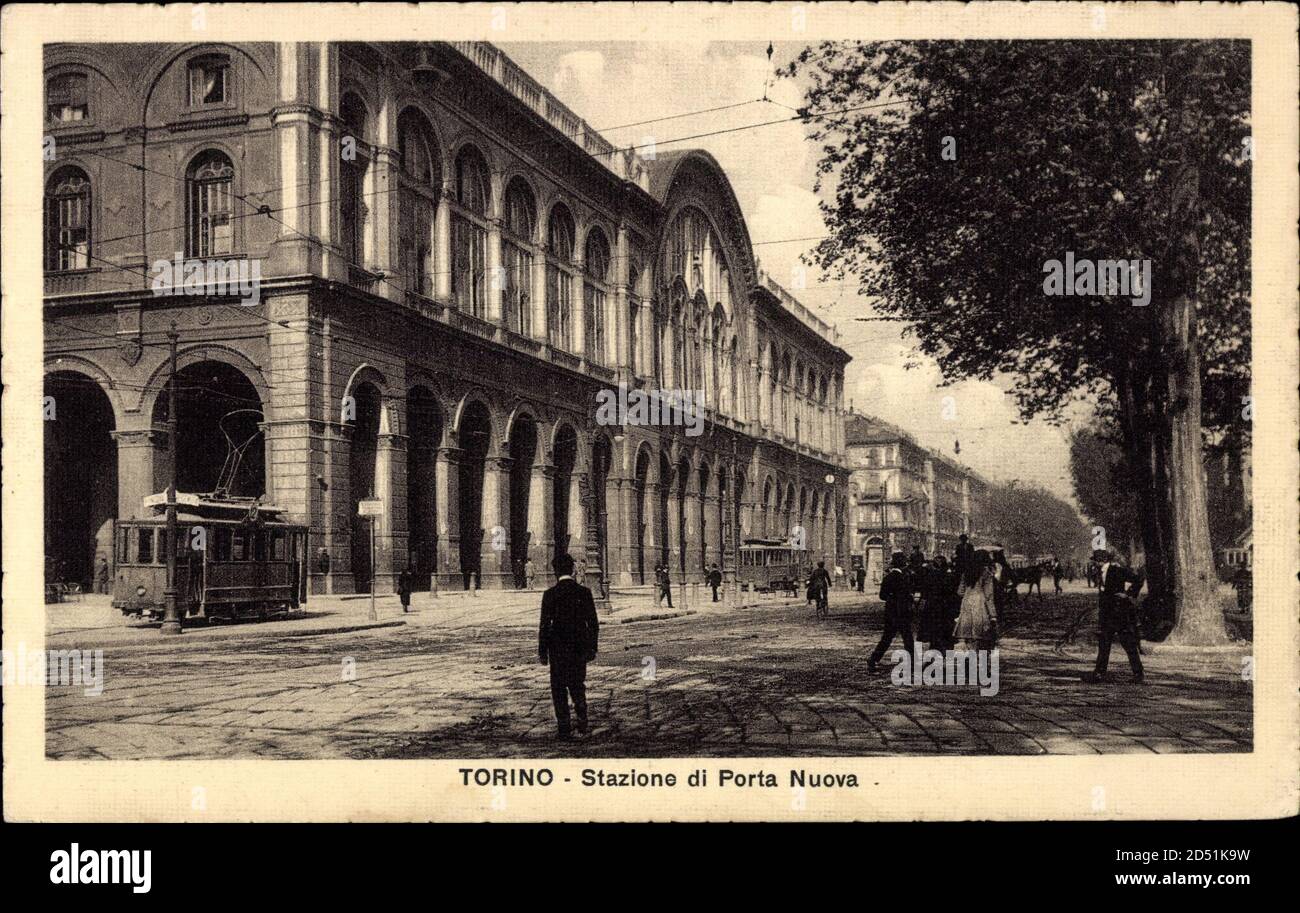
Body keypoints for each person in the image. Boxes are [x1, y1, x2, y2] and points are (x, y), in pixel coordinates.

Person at [538, 553, 599, 740]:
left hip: (557, 650)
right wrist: (592, 648)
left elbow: (544, 626)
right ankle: (582, 722)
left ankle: (564, 727)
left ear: (555, 571)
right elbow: (593, 624)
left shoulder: (549, 595)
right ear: (572, 570)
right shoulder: (584, 592)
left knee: (558, 688)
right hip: (579, 649)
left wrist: (543, 652)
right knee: (577, 686)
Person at [1084, 549, 1144, 684]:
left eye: (1095, 561)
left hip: (1119, 613)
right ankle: (1099, 673)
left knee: (1128, 644)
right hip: (1106, 614)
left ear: (1101, 561)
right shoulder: (1099, 573)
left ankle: (1138, 673)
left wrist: (1128, 594)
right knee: (1104, 644)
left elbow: (1138, 579)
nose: (1094, 564)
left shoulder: (1117, 570)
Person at [868, 552, 915, 672]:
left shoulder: (888, 577)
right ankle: (913, 662)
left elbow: (882, 596)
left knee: (887, 638)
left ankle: (874, 659)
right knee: (908, 638)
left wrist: (892, 598)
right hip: (903, 612)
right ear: (902, 564)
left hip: (891, 612)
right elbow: (909, 595)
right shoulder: (905, 577)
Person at [954, 550, 998, 651]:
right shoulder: (986, 573)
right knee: (980, 633)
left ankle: (969, 656)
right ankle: (976, 658)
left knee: (968, 632)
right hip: (980, 603)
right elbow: (989, 595)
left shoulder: (966, 572)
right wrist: (993, 615)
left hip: (967, 602)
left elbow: (960, 592)